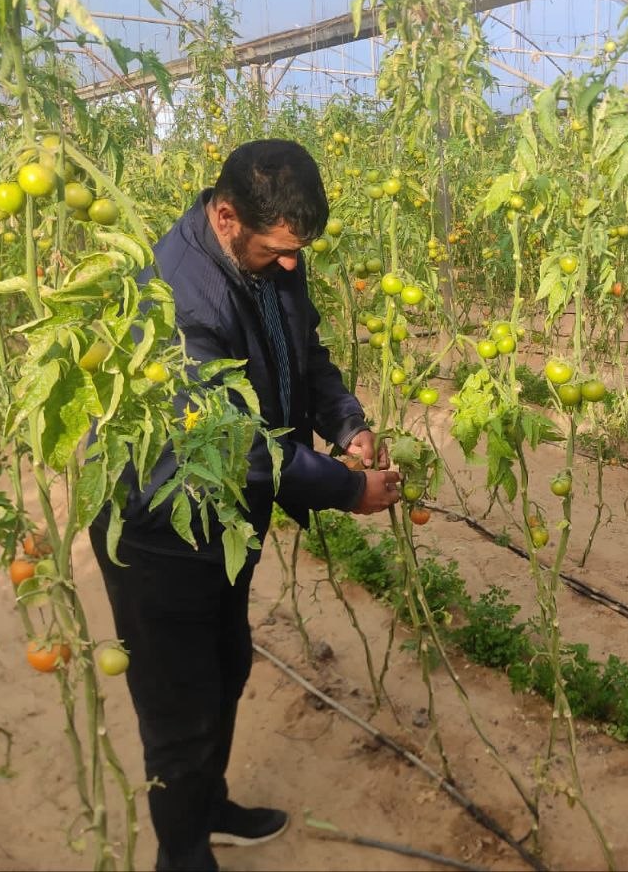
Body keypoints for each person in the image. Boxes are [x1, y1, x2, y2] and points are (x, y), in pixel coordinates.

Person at [88, 139, 401, 871]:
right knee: (177, 708)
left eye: (299, 250)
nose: (292, 264)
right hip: (159, 529)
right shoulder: (178, 296)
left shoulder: (274, 257)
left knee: (226, 667)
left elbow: (308, 354)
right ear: (226, 217)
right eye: (279, 250)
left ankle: (210, 808)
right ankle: (182, 855)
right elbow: (234, 444)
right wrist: (349, 489)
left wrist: (348, 424)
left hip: (224, 520)